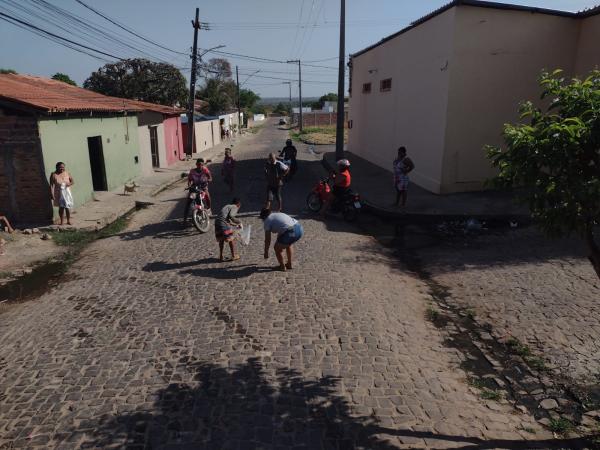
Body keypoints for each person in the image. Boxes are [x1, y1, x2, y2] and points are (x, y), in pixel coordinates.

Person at [183, 158, 212, 226]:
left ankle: (209, 208)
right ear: (196, 164)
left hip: (203, 187)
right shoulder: (192, 171)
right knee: (188, 202)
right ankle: (185, 220)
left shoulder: (205, 170)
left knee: (207, 195)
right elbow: (189, 180)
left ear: (203, 165)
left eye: (201, 165)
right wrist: (189, 186)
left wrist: (208, 180)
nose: (200, 166)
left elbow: (210, 177)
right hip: (194, 188)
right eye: (198, 164)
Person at [49, 161, 74, 226]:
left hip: (66, 192)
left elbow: (72, 181)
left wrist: (69, 184)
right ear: (56, 167)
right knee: (61, 207)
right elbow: (51, 185)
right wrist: (51, 194)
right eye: (60, 167)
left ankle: (68, 221)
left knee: (67, 207)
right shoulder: (53, 174)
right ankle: (62, 221)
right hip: (58, 193)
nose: (62, 169)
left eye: (63, 167)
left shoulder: (67, 173)